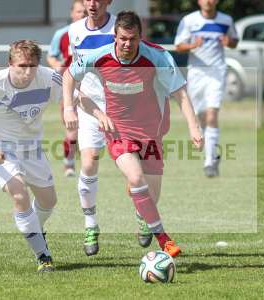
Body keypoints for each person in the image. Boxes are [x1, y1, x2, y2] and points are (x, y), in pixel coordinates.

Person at [63, 11, 204, 257]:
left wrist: (194, 126)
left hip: (151, 133)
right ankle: (164, 239)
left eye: (133, 39)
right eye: (123, 39)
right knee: (136, 179)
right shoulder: (99, 56)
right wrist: (69, 108)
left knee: (151, 193)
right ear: (115, 37)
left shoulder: (157, 56)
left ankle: (142, 214)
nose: (128, 44)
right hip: (118, 132)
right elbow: (69, 76)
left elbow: (180, 92)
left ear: (141, 37)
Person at [0, 40, 79, 272]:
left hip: (31, 147)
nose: (27, 71)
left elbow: (74, 94)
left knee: (49, 201)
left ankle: (36, 232)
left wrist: (90, 112)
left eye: (32, 66)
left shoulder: (48, 78)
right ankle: (43, 256)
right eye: (21, 65)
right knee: (19, 194)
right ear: (10, 63)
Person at [65, 0, 116, 256]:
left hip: (122, 106)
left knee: (135, 168)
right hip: (89, 104)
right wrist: (70, 104)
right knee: (88, 163)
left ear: (109, 2)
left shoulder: (120, 26)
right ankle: (90, 224)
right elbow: (74, 71)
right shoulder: (74, 30)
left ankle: (143, 214)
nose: (93, 3)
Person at [175, 0, 238, 177]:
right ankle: (213, 153)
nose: (208, 1)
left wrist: (229, 41)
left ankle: (209, 162)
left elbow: (234, 41)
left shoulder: (226, 20)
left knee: (212, 115)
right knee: (201, 117)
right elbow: (178, 46)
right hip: (196, 74)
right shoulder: (189, 20)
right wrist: (193, 45)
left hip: (217, 72)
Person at [47, 0, 86, 177]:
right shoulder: (62, 34)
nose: (82, 15)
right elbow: (51, 56)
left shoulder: (94, 33)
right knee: (72, 127)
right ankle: (69, 164)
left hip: (91, 86)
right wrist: (57, 66)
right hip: (70, 86)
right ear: (72, 13)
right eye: (78, 12)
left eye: (84, 12)